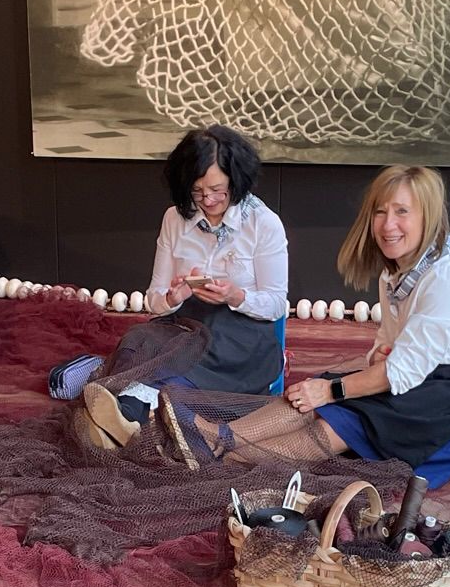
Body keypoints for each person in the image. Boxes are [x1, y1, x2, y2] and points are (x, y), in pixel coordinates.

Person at [157, 164, 450, 485]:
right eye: (380, 212)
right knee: (319, 389)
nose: (388, 225)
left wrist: (334, 391)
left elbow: (398, 375)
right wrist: (376, 357)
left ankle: (219, 451)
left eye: (402, 212)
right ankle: (218, 436)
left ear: (429, 217)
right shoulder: (398, 270)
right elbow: (388, 339)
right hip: (431, 371)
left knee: (349, 416)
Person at [59, 126, 290, 448]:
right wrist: (174, 296)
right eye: (197, 192)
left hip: (241, 335)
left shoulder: (263, 223)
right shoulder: (174, 218)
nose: (208, 200)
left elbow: (277, 304)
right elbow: (155, 302)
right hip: (185, 322)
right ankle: (127, 418)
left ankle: (127, 414)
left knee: (193, 355)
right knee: (139, 337)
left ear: (237, 181)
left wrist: (235, 295)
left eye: (218, 190)